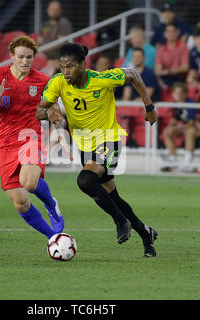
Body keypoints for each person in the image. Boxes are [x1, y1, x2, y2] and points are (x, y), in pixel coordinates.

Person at [36, 43, 159, 258]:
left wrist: (149, 107)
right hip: (84, 145)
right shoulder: (58, 82)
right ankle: (145, 234)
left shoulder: (101, 80)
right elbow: (39, 109)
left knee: (85, 181)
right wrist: (49, 113)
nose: (65, 72)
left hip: (109, 141)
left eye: (71, 67)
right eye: (62, 67)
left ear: (83, 65)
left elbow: (133, 75)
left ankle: (120, 221)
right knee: (113, 196)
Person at [0, 36, 64, 240]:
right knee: (20, 202)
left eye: (29, 57)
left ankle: (51, 204)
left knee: (30, 183)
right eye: (21, 57)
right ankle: (53, 238)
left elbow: (53, 107)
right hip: (6, 143)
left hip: (30, 137)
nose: (25, 61)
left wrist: (54, 112)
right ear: (12, 56)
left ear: (34, 58)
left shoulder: (42, 80)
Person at [162, 82, 197, 170]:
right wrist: (171, 126)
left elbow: (192, 122)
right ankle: (173, 159)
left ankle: (188, 162)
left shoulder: (190, 103)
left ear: (185, 94)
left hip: (192, 127)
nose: (178, 95)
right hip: (182, 127)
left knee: (190, 131)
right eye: (176, 93)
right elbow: (175, 118)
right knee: (167, 132)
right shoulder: (176, 104)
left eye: (180, 93)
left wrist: (179, 128)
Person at [155, 23, 189, 90]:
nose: (170, 34)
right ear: (164, 34)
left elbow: (185, 67)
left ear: (177, 33)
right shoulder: (161, 49)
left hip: (179, 78)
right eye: (168, 31)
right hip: (165, 78)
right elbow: (158, 70)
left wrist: (168, 71)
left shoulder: (183, 46)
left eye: (173, 31)